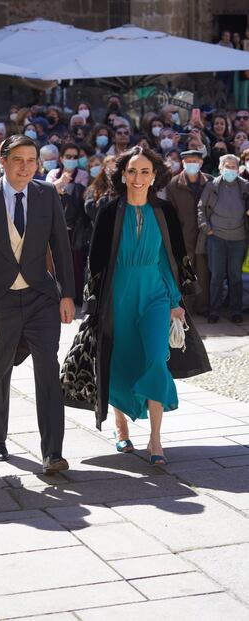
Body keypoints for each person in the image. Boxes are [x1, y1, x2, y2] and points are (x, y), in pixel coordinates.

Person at [62, 146, 210, 465]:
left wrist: (175, 301)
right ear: (123, 175)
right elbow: (95, 263)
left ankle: (156, 440)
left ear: (154, 176)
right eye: (132, 171)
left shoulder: (165, 212)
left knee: (156, 358)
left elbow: (169, 259)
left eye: (145, 171)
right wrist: (94, 304)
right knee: (120, 361)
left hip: (155, 295)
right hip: (118, 297)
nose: (138, 177)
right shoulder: (109, 211)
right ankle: (120, 426)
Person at [0, 134, 75, 474]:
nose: (26, 167)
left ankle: (52, 453)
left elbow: (60, 244)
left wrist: (68, 293)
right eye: (18, 160)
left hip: (41, 297)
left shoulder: (46, 194)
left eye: (32, 160)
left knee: (48, 372)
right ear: (3, 160)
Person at [198, 153, 249, 324]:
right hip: (216, 237)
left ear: (238, 169)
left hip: (238, 238)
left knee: (235, 276)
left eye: (233, 166)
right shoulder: (211, 186)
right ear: (220, 168)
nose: (230, 169)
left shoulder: (245, 186)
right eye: (227, 166)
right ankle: (215, 310)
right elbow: (201, 208)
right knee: (217, 276)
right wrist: (206, 228)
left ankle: (236, 310)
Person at [166, 150, 213, 315]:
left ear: (201, 163)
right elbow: (170, 212)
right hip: (184, 234)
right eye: (188, 161)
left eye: (195, 160)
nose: (191, 163)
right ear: (183, 163)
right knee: (185, 271)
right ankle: (186, 307)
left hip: (205, 233)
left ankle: (203, 306)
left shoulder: (210, 181)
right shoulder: (173, 184)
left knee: (203, 271)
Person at [46, 142, 90, 304]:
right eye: (68, 156)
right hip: (54, 226)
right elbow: (47, 191)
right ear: (61, 158)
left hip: (75, 227)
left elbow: (80, 193)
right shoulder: (53, 173)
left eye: (75, 157)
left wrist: (63, 187)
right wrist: (61, 183)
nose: (72, 160)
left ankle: (75, 296)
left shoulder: (83, 175)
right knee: (55, 262)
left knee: (75, 263)